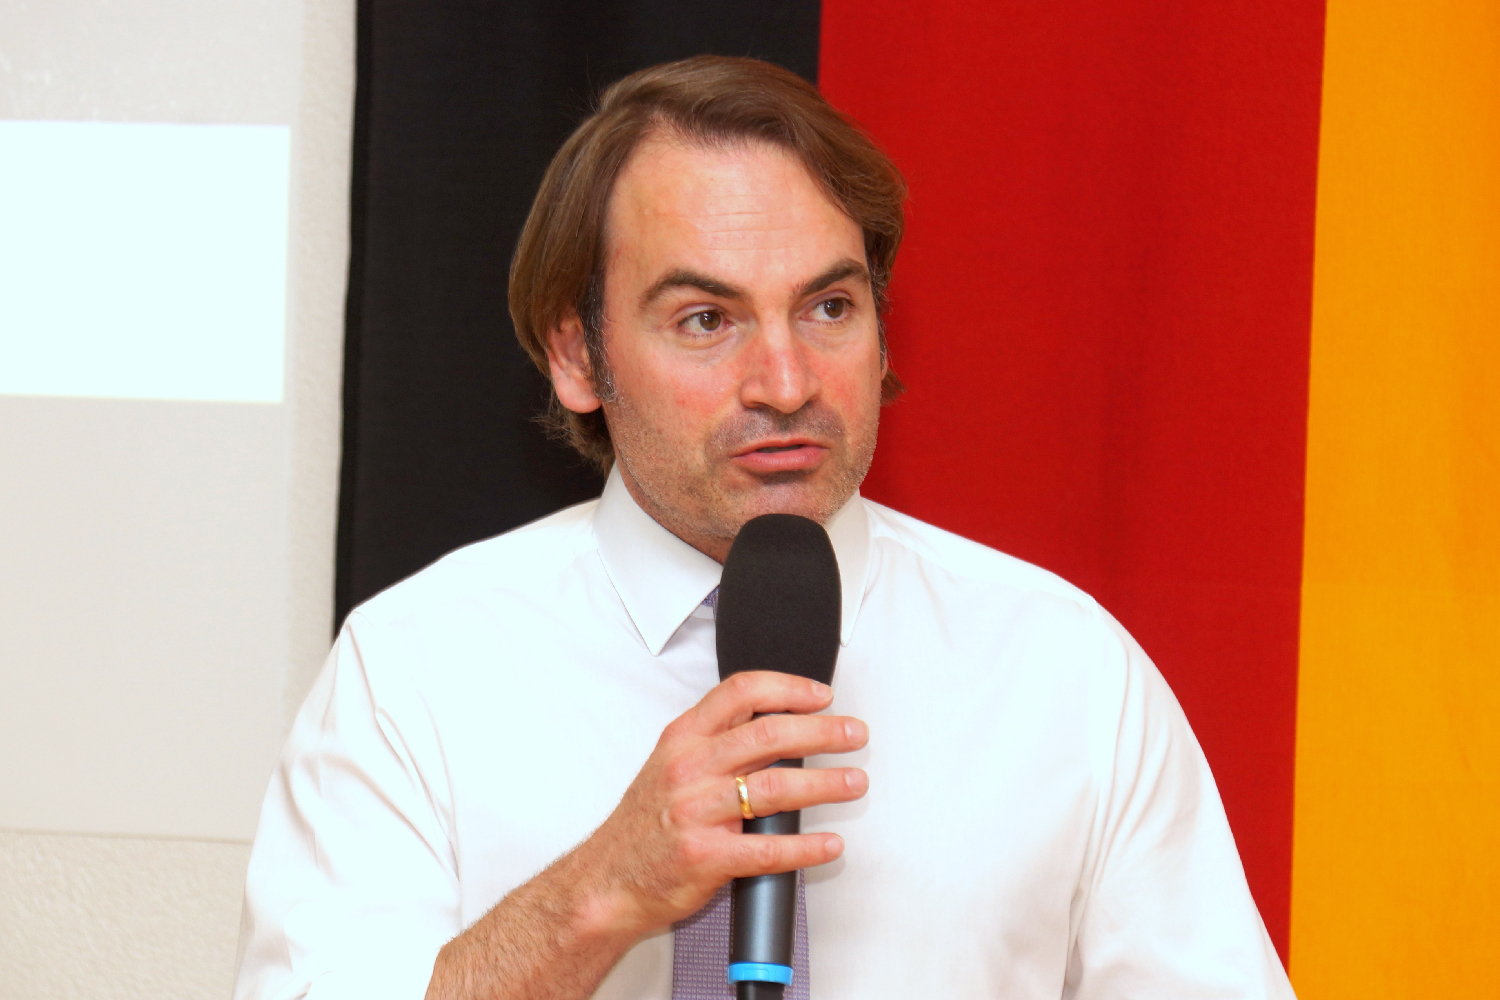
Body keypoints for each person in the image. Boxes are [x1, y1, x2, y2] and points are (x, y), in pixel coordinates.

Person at [234, 56, 1294, 1000]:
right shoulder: (413, 671)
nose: (786, 383)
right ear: (577, 355)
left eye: (829, 308)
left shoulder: (1064, 672)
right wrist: (600, 893)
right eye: (707, 319)